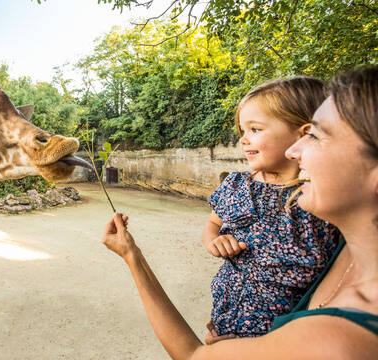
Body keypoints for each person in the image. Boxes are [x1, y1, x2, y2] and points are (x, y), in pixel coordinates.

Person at [102, 66, 378, 359]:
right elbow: (215, 225)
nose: (294, 152)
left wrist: (132, 256)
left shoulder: (336, 340)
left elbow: (192, 355)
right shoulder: (351, 248)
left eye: (315, 136)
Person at [202, 77, 340, 338]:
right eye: (242, 131)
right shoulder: (235, 185)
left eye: (255, 129)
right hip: (227, 319)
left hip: (284, 339)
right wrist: (213, 242)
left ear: (303, 132)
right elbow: (213, 224)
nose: (243, 140)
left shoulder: (320, 200)